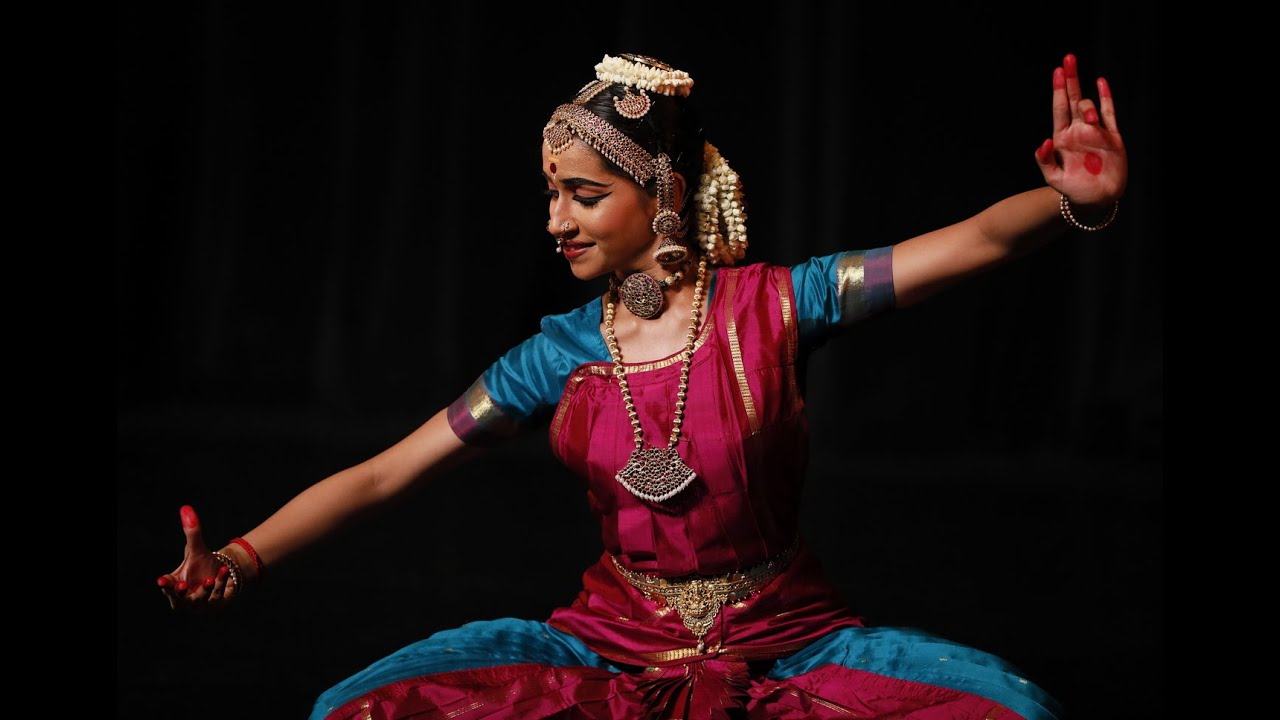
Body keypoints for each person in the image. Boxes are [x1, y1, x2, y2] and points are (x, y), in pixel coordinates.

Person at [157, 52, 1126, 719]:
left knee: (1010, 708)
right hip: (608, 651)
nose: (555, 222)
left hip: (789, 647)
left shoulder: (780, 307)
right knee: (356, 707)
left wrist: (1065, 203)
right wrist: (240, 559)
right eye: (550, 195)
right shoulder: (559, 356)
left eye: (583, 196)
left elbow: (968, 243)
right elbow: (384, 474)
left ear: (661, 192)